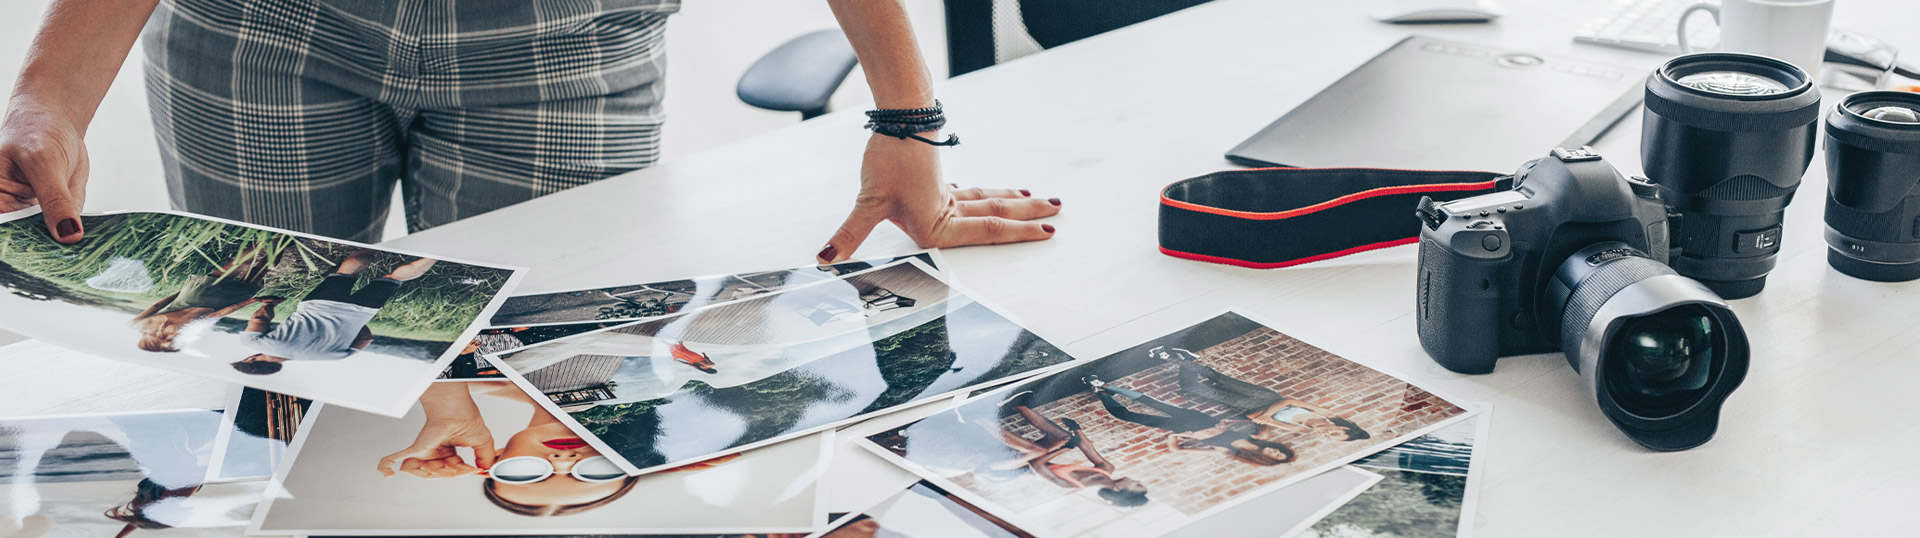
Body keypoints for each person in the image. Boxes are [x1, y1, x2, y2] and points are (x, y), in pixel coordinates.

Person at [0, 0, 1062, 261]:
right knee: (271, 359)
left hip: (566, 43)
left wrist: (907, 113)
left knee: (539, 385)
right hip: (268, 32)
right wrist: (51, 94)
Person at [377, 381, 642, 517]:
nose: (563, 460)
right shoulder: (665, 385)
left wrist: (448, 412)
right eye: (599, 471)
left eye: (524, 471)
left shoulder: (452, 386)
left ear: (497, 457)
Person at [232, 249, 436, 375]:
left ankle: (434, 255)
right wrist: (269, 304)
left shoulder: (331, 358)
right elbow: (260, 318)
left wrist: (352, 320)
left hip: (361, 311)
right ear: (250, 360)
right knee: (346, 273)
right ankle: (375, 247)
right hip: (320, 304)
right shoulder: (251, 343)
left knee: (394, 278)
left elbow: (366, 338)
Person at [1148, 347, 1371, 442]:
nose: (1327, 435)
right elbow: (1289, 400)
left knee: (1193, 388)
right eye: (1334, 435)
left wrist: (1264, 416)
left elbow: (1258, 419)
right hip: (1264, 396)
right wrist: (1269, 413)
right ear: (1341, 428)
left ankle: (1182, 359)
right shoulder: (1325, 413)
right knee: (1218, 378)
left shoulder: (1297, 428)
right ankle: (1172, 357)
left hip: (1245, 406)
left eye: (1331, 439)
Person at [969, 400, 1150, 507]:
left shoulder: (1070, 486)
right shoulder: (1106, 468)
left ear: (1118, 490)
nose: (1137, 480)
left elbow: (1036, 465)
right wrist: (1076, 431)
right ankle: (1021, 406)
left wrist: (1066, 448)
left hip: (1004, 470)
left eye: (1137, 485)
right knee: (1063, 436)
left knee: (1038, 450)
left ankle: (978, 417)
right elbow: (1089, 449)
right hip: (1027, 458)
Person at [1084, 376, 1296, 466]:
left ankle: (1100, 393)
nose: (1275, 452)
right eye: (1279, 451)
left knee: (1127, 415)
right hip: (1200, 419)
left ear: (1268, 460)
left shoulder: (1231, 453)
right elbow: (1256, 416)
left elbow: (1178, 450)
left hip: (1182, 428)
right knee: (1152, 401)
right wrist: (1225, 422)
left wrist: (1175, 437)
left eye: (1276, 457)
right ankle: (1104, 385)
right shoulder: (1261, 436)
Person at [129, 246, 279, 352]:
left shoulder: (179, 334)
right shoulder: (136, 324)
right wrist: (179, 293)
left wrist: (252, 301)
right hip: (195, 293)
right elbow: (157, 305)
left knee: (262, 268)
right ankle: (264, 240)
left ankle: (280, 243)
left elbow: (216, 315)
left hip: (221, 301)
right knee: (238, 264)